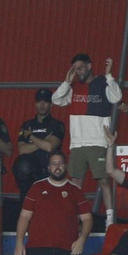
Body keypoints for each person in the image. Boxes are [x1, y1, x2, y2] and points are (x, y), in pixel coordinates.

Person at [51, 54, 122, 220]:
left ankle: (110, 220)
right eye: (75, 69)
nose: (78, 72)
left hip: (99, 142)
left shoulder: (103, 83)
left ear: (89, 66)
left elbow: (117, 97)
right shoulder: (73, 87)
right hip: (77, 144)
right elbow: (56, 100)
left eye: (81, 68)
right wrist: (66, 82)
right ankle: (74, 218)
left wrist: (109, 76)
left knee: (104, 181)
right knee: (76, 184)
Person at [13, 88, 65, 199]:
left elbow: (50, 147)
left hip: (48, 172)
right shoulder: (27, 125)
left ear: (51, 105)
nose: (42, 105)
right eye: (39, 102)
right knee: (22, 165)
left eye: (45, 102)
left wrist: (31, 137)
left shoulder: (57, 125)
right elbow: (22, 150)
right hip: (29, 174)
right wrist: (43, 142)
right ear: (35, 104)